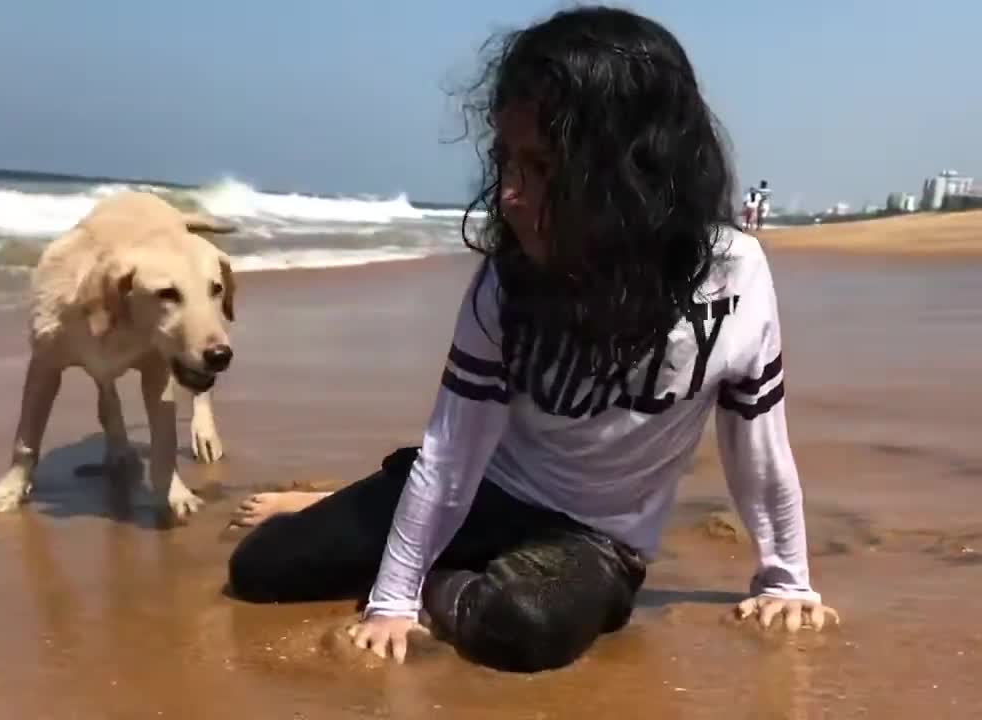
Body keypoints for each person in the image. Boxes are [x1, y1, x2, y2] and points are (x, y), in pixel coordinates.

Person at [224, 5, 838, 673]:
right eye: (505, 160)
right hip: (487, 488)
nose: (510, 194)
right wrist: (390, 600)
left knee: (522, 626)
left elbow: (758, 444)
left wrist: (786, 578)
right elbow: (453, 452)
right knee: (260, 569)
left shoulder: (733, 279)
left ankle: (432, 556)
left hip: (598, 538)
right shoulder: (506, 282)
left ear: (632, 172)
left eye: (541, 166)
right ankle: (387, 518)